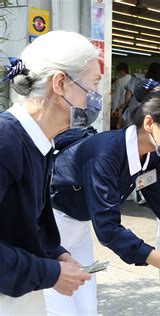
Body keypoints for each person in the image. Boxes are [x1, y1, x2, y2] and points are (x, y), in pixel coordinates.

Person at [44, 84, 160, 315]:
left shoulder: (151, 156)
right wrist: (159, 260)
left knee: (87, 307)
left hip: (78, 229)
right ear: (149, 123)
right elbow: (107, 228)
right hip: (50, 226)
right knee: (59, 308)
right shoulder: (105, 153)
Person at [0, 31, 96, 314]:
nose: (94, 99)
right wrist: (49, 273)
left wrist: (56, 255)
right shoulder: (6, 141)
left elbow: (22, 222)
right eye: (92, 85)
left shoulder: (40, 142)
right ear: (61, 83)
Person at [117, 62, 160, 128]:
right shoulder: (159, 85)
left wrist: (125, 103)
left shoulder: (137, 78)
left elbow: (128, 93)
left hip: (134, 111)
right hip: (149, 114)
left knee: (130, 132)